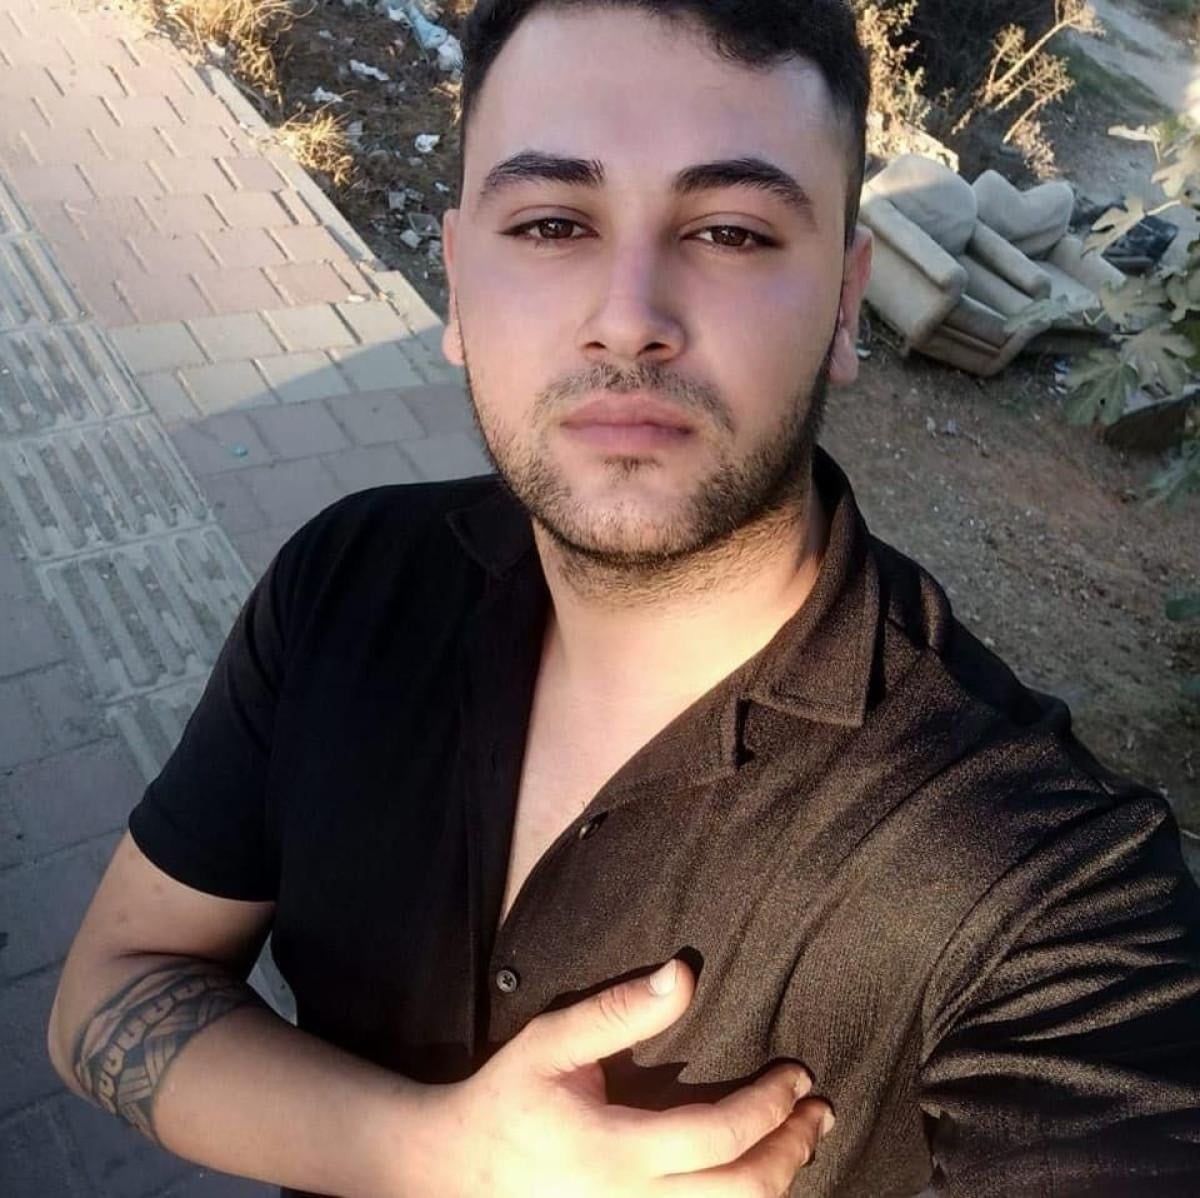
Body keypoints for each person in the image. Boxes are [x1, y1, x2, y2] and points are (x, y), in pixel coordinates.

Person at [48, 1, 1200, 1195]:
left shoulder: (1045, 885)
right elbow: (108, 992)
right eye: (552, 222)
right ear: (457, 278)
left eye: (733, 231)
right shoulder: (348, 579)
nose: (630, 319)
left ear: (846, 301)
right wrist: (441, 1155)